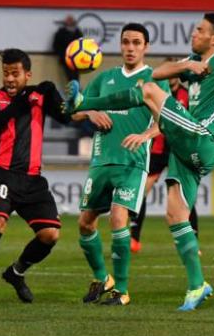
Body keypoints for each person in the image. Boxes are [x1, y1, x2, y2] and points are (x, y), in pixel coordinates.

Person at [66, 12, 214, 311]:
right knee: (176, 215)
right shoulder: (194, 61)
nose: (194, 33)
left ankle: (83, 103)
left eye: (199, 30)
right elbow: (160, 72)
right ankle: (197, 285)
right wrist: (186, 65)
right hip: (186, 147)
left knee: (147, 91)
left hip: (205, 136)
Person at [69, 23, 170, 306]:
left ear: (145, 47)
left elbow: (166, 119)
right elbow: (74, 111)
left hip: (133, 162)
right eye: (126, 42)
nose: (130, 47)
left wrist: (145, 135)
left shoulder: (154, 79)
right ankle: (103, 278)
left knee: (117, 217)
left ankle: (122, 291)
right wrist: (90, 112)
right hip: (101, 161)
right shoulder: (105, 78)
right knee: (85, 224)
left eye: (136, 42)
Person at [0, 48, 71, 305]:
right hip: (1, 174)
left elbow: (65, 118)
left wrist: (55, 93)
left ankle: (16, 273)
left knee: (50, 234)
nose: (9, 79)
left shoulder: (37, 97)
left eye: (15, 74)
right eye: (6, 73)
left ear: (27, 74)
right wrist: (22, 101)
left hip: (32, 180)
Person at [129, 58, 198, 254]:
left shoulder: (187, 94)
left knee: (183, 197)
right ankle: (134, 238)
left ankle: (194, 240)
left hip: (178, 151)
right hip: (158, 150)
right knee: (141, 192)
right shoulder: (156, 93)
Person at [52, 15, 83, 82]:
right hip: (66, 58)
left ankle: (76, 89)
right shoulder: (61, 32)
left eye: (71, 20)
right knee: (69, 76)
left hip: (77, 58)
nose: (69, 22)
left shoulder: (78, 32)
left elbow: (82, 44)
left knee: (76, 76)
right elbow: (56, 45)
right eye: (68, 21)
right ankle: (72, 90)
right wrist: (61, 54)